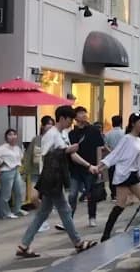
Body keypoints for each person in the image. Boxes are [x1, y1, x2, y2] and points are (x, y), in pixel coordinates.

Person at [16, 106, 98, 258]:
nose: (72, 122)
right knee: (64, 210)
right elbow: (47, 156)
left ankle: (24, 245)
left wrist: (88, 166)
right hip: (51, 179)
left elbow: (71, 154)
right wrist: (67, 151)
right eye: (70, 119)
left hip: (55, 178)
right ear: (62, 118)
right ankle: (78, 243)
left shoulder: (62, 134)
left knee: (43, 213)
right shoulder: (51, 135)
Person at [95, 113, 140, 241]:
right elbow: (115, 154)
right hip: (123, 175)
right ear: (133, 124)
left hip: (133, 175)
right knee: (120, 206)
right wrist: (100, 167)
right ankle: (106, 234)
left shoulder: (139, 140)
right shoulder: (126, 139)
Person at [62, 106, 105, 229]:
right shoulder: (71, 134)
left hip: (91, 166)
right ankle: (69, 219)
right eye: (80, 113)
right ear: (75, 117)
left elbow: (99, 148)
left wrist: (99, 165)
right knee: (72, 194)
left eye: (85, 113)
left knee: (91, 194)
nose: (84, 115)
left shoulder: (94, 131)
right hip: (75, 168)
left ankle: (92, 217)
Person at [24, 116, 54, 231]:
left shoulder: (56, 139)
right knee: (33, 197)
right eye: (47, 124)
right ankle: (44, 217)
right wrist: (25, 171)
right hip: (36, 173)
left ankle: (43, 221)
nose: (49, 126)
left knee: (49, 199)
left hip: (49, 173)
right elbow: (28, 156)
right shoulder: (36, 139)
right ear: (42, 126)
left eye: (51, 124)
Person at [0, 128, 26, 219]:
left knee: (19, 191)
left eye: (14, 134)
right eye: (10, 134)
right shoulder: (3, 148)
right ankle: (5, 213)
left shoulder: (17, 148)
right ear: (6, 137)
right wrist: (2, 162)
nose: (12, 136)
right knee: (6, 194)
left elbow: (21, 157)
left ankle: (17, 210)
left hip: (16, 171)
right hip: (6, 172)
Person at [104, 115, 125, 201]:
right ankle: (121, 194)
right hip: (122, 158)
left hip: (112, 158)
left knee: (112, 176)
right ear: (121, 123)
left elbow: (105, 145)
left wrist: (111, 152)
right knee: (122, 176)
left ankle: (113, 194)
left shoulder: (108, 134)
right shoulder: (124, 133)